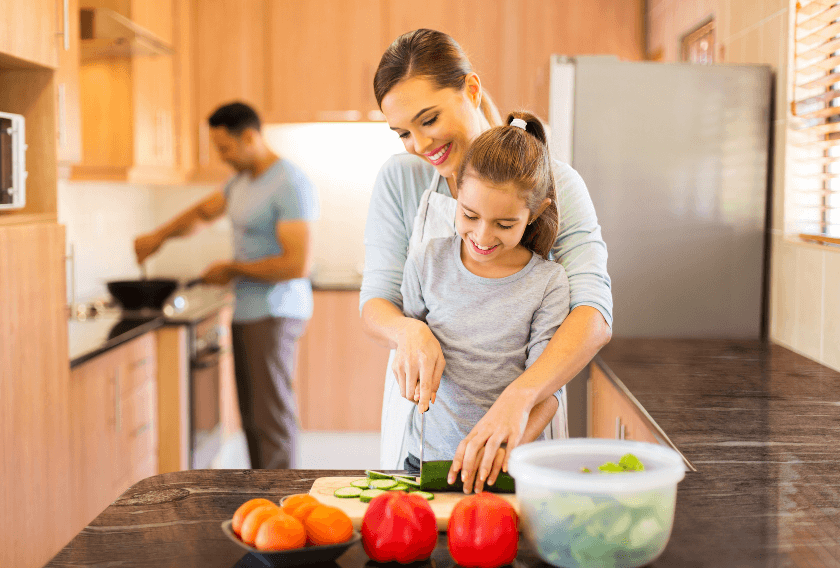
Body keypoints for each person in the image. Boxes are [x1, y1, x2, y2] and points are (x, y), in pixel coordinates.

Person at [361, 29, 613, 493]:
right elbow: (377, 300)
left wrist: (518, 399)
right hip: (425, 436)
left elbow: (593, 315)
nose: (419, 144)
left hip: (523, 427)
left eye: (429, 119)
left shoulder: (557, 184)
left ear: (471, 90)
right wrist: (408, 330)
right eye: (402, 132)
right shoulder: (400, 180)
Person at [134, 101, 319, 469]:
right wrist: (159, 236)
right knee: (252, 418)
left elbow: (297, 264)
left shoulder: (289, 183)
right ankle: (262, 503)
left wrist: (232, 269)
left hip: (275, 312)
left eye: (225, 148)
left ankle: (281, 507)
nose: (222, 157)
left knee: (271, 420)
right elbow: (203, 213)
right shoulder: (241, 181)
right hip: (248, 311)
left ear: (249, 137)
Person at [401, 113, 570, 488]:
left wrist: (502, 449)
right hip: (427, 459)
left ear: (535, 213)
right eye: (470, 215)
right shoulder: (426, 261)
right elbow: (409, 338)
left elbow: (547, 389)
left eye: (504, 224)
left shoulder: (548, 283)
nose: (481, 235)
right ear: (457, 192)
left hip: (508, 464)